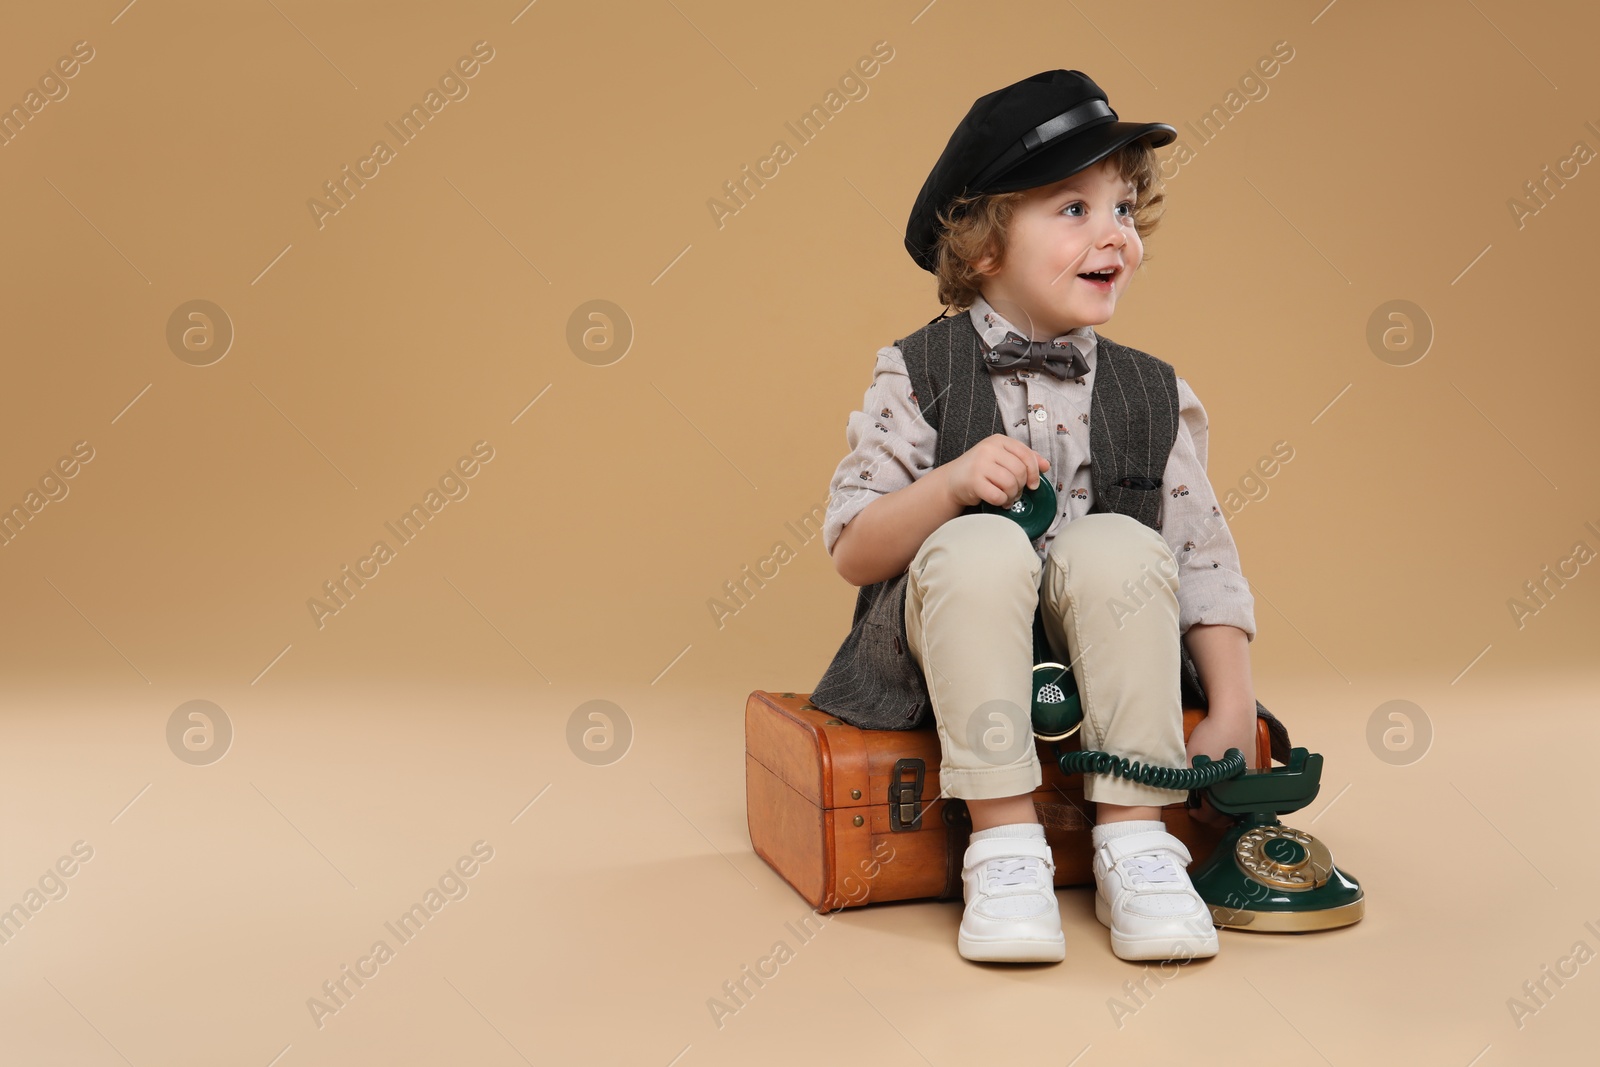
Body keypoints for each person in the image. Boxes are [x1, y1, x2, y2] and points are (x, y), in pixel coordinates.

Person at [812, 70, 1262, 964]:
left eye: (1124, 210)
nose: (1115, 237)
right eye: (1074, 210)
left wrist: (1235, 700)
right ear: (983, 245)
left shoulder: (1152, 389)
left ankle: (1137, 841)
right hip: (943, 644)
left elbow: (1202, 556)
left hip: (1105, 657)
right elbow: (856, 551)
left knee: (1120, 544)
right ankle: (1006, 846)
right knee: (978, 544)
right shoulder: (918, 371)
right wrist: (948, 487)